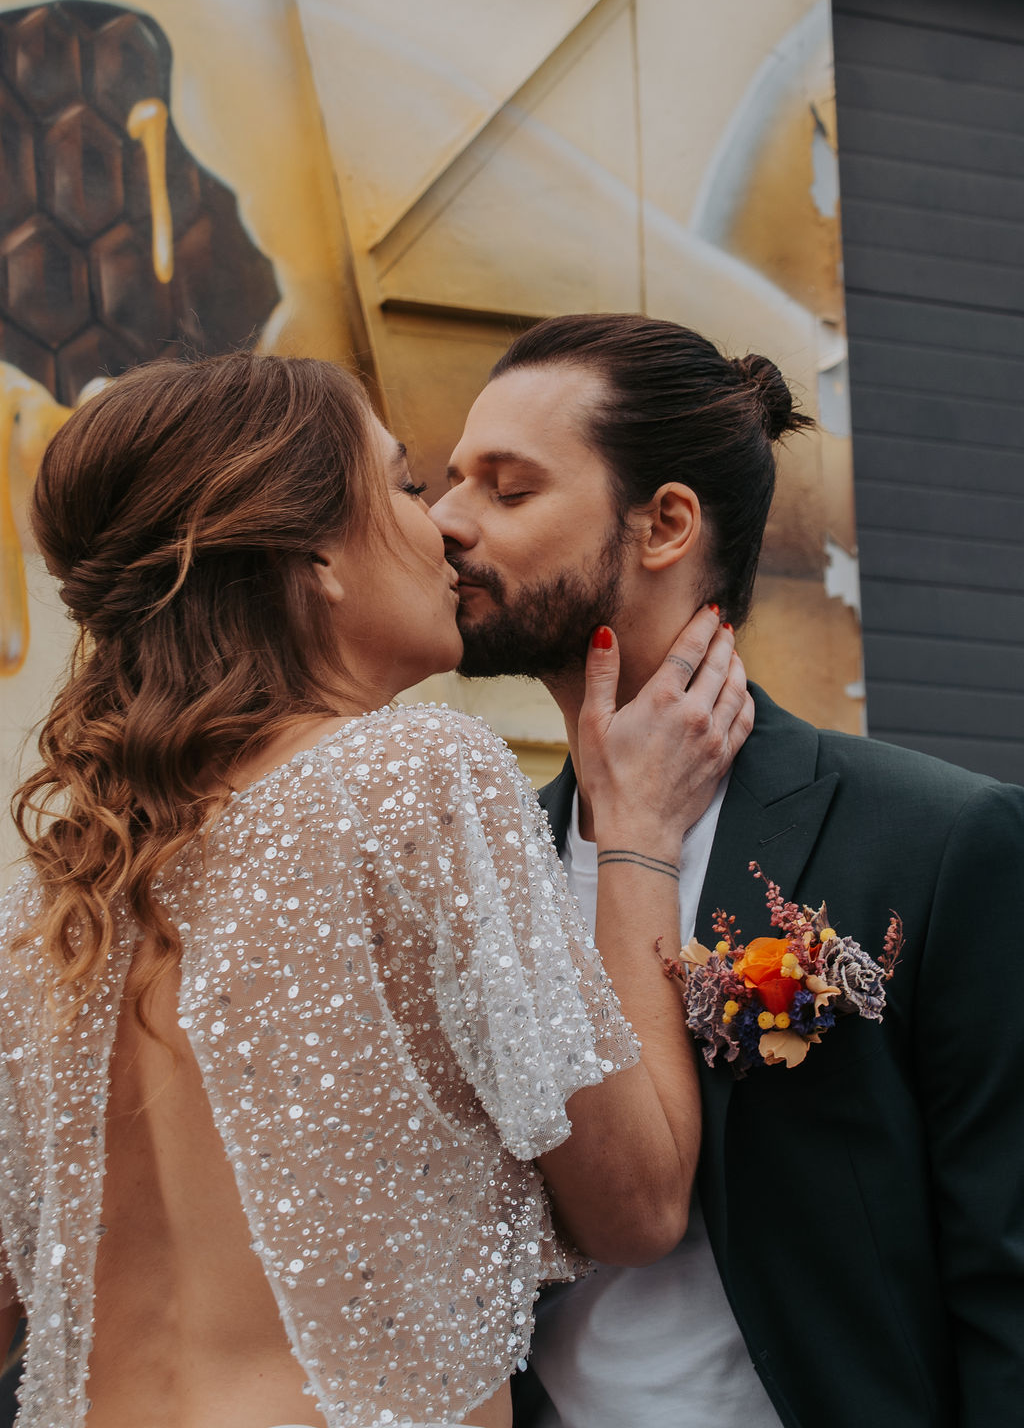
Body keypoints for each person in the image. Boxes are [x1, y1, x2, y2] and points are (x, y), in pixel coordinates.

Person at [0, 352, 752, 1428]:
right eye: (402, 485)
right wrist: (631, 839)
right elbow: (635, 1202)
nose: (442, 526)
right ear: (317, 559)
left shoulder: (53, 901)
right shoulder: (409, 779)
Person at [430, 312, 1024, 1428]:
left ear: (663, 524)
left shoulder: (938, 842)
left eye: (507, 491)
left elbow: (1007, 1270)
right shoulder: (487, 860)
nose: (443, 523)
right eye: (447, 482)